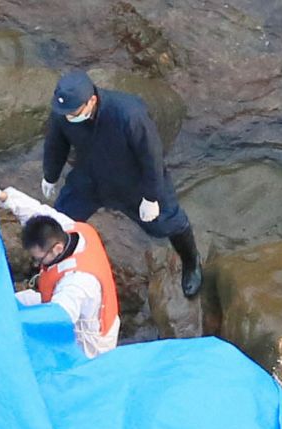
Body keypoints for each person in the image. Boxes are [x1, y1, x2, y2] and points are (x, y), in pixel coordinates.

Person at [40, 70, 203, 299]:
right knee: (62, 221)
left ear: (92, 101)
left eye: (74, 113)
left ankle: (192, 262)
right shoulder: (65, 112)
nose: (68, 117)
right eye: (65, 113)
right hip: (91, 177)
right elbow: (56, 144)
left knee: (168, 223)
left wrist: (152, 196)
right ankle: (52, 268)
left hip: (133, 181)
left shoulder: (128, 114)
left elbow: (151, 156)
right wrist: (50, 175)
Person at [0, 186, 119, 357]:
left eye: (40, 259)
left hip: (89, 343)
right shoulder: (72, 229)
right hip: (81, 307)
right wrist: (2, 195)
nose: (37, 263)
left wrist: (14, 326)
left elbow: (59, 316)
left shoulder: (77, 283)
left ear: (57, 249)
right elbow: (36, 211)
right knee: (9, 303)